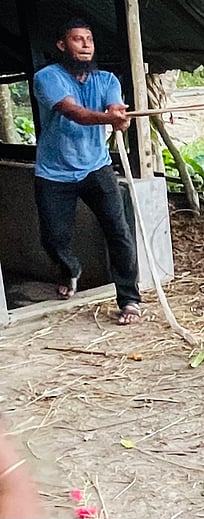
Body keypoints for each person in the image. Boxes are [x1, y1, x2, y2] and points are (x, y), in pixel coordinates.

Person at [33, 18, 142, 325]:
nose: (85, 45)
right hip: (54, 173)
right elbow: (74, 113)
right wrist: (108, 118)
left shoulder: (107, 79)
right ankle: (70, 269)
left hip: (96, 167)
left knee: (119, 233)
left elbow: (115, 109)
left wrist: (119, 118)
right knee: (52, 240)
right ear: (62, 45)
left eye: (89, 40)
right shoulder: (47, 77)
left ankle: (129, 300)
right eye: (77, 39)